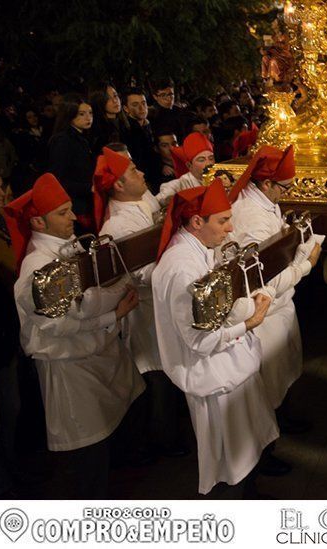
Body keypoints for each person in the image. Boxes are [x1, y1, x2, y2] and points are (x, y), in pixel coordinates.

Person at [6, 173, 144, 498]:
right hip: (68, 367)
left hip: (90, 357)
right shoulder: (38, 266)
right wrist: (113, 312)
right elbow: (58, 324)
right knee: (88, 450)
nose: (73, 217)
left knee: (104, 442)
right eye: (63, 213)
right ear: (38, 221)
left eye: (70, 210)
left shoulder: (68, 248)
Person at [151, 181, 278, 495]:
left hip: (230, 368)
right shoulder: (181, 268)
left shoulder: (198, 251)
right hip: (212, 377)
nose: (231, 228)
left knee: (247, 453)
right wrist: (250, 322)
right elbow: (199, 342)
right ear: (197, 222)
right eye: (222, 220)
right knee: (230, 466)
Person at [94, 147, 187, 458]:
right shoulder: (117, 226)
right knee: (157, 375)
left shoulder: (140, 203)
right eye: (133, 171)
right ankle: (162, 441)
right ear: (118, 185)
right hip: (145, 309)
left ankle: (169, 433)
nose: (143, 173)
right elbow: (139, 274)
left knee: (168, 370)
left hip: (161, 304)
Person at [227, 145, 322, 433]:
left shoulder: (265, 200)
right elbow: (261, 277)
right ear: (266, 183)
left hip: (282, 306)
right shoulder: (251, 216)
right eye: (284, 187)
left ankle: (283, 419)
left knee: (284, 373)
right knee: (269, 381)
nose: (287, 193)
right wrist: (306, 263)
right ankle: (267, 441)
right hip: (265, 310)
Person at [0, 174, 21, 497]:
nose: (1, 193)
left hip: (0, 337)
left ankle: (11, 469)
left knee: (11, 409)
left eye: (1, 187)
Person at [47, 93, 96, 232]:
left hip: (86, 201)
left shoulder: (82, 137)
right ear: (70, 115)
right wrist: (88, 188)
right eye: (81, 114)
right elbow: (58, 179)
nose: (88, 117)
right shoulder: (63, 140)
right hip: (76, 205)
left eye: (90, 113)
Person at [155, 132, 214, 206]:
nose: (208, 164)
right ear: (189, 165)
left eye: (211, 158)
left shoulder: (221, 177)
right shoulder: (179, 184)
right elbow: (158, 201)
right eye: (201, 160)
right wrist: (170, 200)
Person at [121, 88, 158, 189]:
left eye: (143, 103)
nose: (142, 108)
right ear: (126, 108)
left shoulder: (151, 124)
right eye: (135, 105)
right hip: (142, 182)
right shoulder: (126, 131)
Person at [88, 83, 128, 155]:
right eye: (108, 98)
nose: (115, 100)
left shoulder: (126, 124)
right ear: (99, 101)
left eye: (115, 95)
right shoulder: (96, 131)